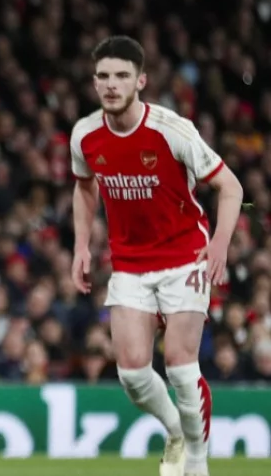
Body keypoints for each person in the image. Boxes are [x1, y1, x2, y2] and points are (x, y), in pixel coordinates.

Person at [69, 36, 244, 476]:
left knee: (183, 370)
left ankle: (198, 466)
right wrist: (80, 245)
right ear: (94, 83)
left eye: (122, 76)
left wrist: (219, 243)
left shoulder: (172, 129)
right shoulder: (85, 135)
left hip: (186, 255)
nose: (112, 85)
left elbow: (231, 187)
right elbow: (84, 186)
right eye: (104, 77)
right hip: (129, 262)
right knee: (131, 374)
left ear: (141, 81)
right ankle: (176, 432)